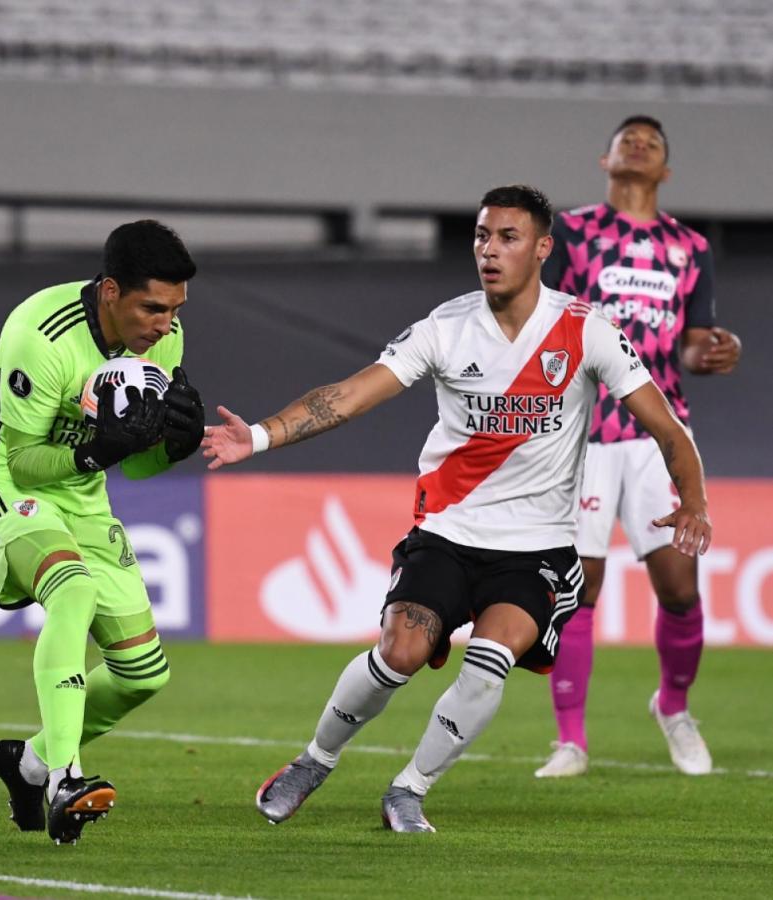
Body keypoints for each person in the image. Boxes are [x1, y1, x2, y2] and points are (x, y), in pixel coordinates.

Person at [202, 185, 711, 833]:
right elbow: (351, 394)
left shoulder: (586, 330)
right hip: (445, 533)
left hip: (536, 550)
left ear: (542, 249)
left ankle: (408, 790)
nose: (489, 250)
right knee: (399, 653)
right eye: (480, 236)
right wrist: (261, 433)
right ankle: (313, 760)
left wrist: (691, 500)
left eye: (507, 237)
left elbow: (666, 427)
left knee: (491, 658)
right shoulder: (446, 326)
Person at [0, 220, 202, 845]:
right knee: (72, 589)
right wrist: (98, 452)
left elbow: (139, 464)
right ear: (111, 291)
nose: (164, 324)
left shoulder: (163, 343)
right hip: (2, 481)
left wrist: (173, 446)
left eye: (175, 310)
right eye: (152, 307)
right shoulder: (41, 334)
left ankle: (30, 764)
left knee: (143, 674)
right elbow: (25, 459)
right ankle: (66, 778)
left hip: (81, 495)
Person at [534, 116, 741, 779]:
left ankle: (673, 708)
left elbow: (689, 340)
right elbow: (545, 314)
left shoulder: (689, 246)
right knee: (580, 587)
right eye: (629, 138)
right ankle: (570, 740)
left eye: (653, 142)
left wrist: (712, 351)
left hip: (659, 430)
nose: (640, 143)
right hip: (584, 430)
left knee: (678, 587)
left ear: (664, 172)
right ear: (607, 158)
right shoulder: (571, 231)